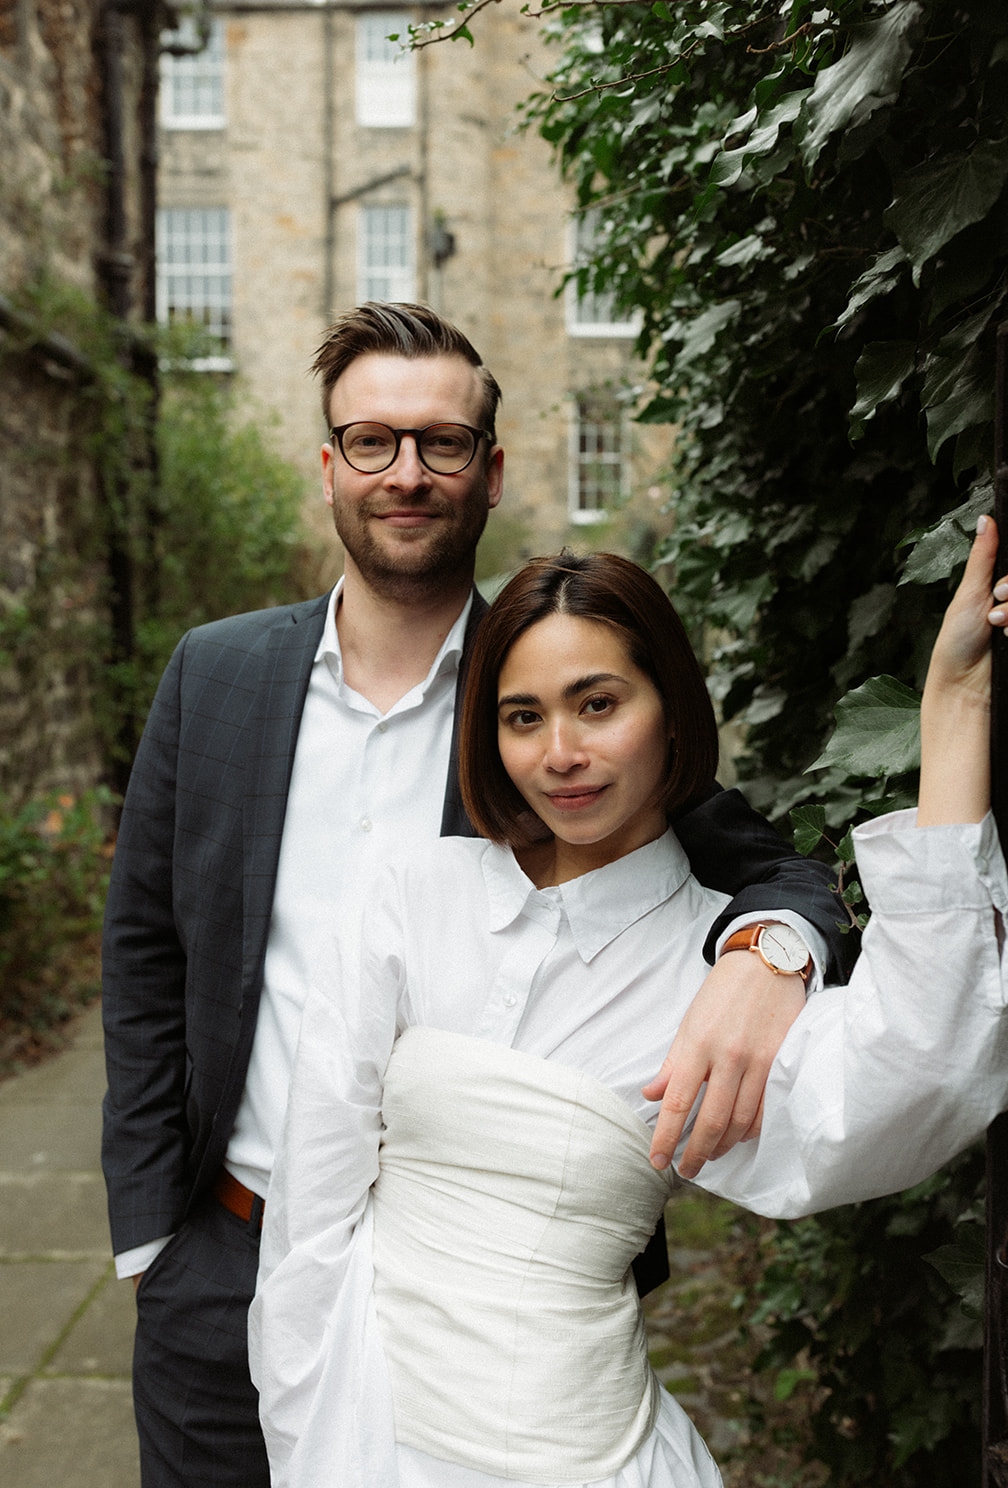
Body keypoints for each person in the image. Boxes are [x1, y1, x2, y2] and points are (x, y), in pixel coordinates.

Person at [100, 302, 846, 1488]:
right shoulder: (217, 671)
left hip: (466, 1308)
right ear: (328, 462)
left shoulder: (544, 686)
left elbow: (769, 863)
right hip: (223, 1256)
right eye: (372, 441)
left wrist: (770, 948)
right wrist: (150, 1234)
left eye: (441, 443)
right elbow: (144, 946)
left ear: (489, 471)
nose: (407, 472)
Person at [250, 518, 1008, 1488]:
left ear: (671, 709)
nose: (559, 752)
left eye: (596, 703)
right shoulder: (406, 895)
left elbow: (927, 1067)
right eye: (521, 716)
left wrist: (955, 699)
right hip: (362, 1443)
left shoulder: (718, 967)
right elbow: (309, 1227)